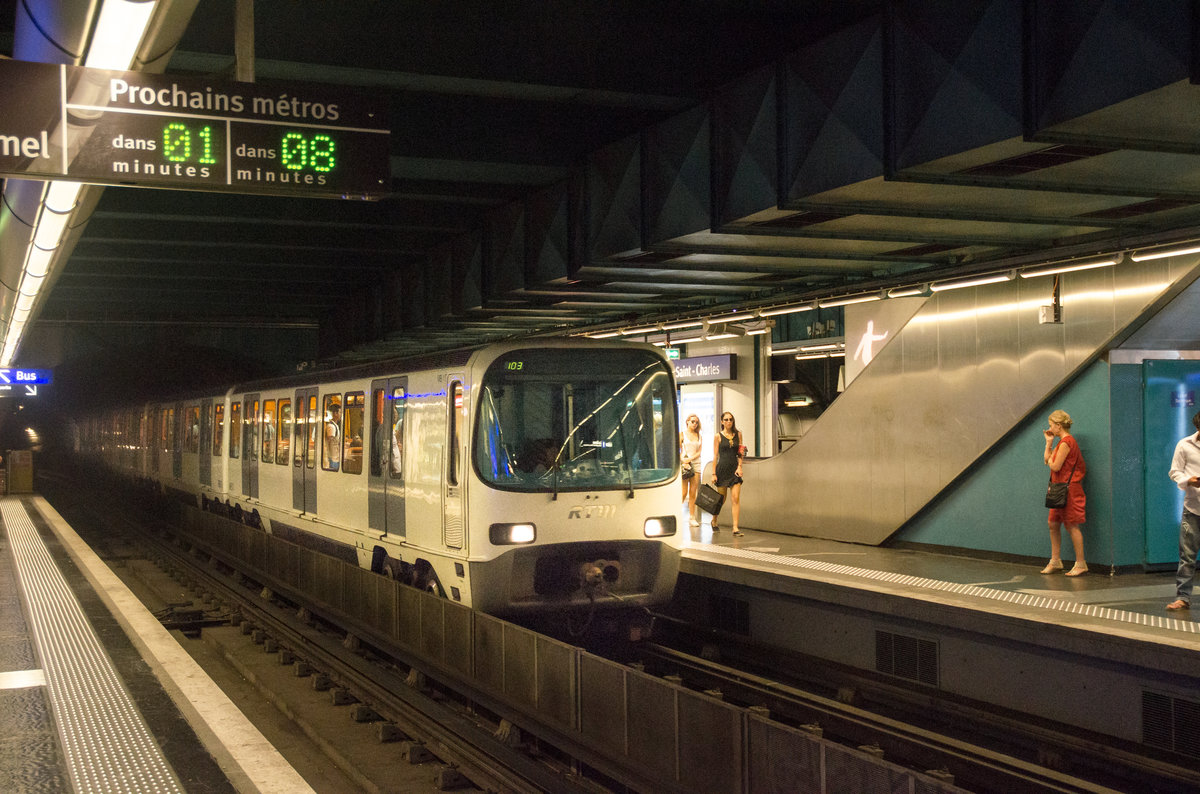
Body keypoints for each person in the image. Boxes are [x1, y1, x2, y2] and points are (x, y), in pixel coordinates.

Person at [1041, 409, 1087, 575]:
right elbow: (1046, 459)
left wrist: (1051, 457)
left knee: (1071, 524)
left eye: (1051, 425)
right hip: (1058, 489)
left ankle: (1081, 563)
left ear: (1058, 426)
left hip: (1069, 490)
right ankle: (1055, 560)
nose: (1050, 427)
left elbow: (1054, 465)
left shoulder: (1067, 442)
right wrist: (1048, 443)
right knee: (1053, 523)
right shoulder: (1061, 442)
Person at [1166, 411, 1200, 611]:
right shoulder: (1185, 444)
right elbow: (1175, 471)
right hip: (1193, 507)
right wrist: (1189, 481)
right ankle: (1183, 597)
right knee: (1187, 556)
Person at [711, 412, 745, 536]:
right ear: (722, 422)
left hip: (734, 469)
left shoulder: (738, 435)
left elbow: (741, 452)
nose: (728, 421)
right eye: (726, 419)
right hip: (722, 469)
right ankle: (714, 520)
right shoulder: (718, 436)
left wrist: (740, 466)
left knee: (735, 498)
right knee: (721, 499)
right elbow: (715, 455)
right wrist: (713, 473)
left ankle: (735, 527)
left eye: (731, 419)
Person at [679, 415, 702, 527]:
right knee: (683, 492)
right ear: (687, 422)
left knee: (693, 492)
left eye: (696, 422)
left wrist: (690, 459)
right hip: (685, 464)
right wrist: (683, 460)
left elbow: (699, 452)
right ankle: (676, 513)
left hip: (696, 464)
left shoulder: (698, 435)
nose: (694, 424)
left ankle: (692, 517)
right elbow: (677, 449)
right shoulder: (682, 434)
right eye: (693, 421)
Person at [324, 404, 342, 471]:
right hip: (333, 458)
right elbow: (331, 442)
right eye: (340, 412)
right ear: (335, 413)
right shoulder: (331, 426)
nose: (341, 414)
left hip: (335, 457)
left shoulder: (335, 425)